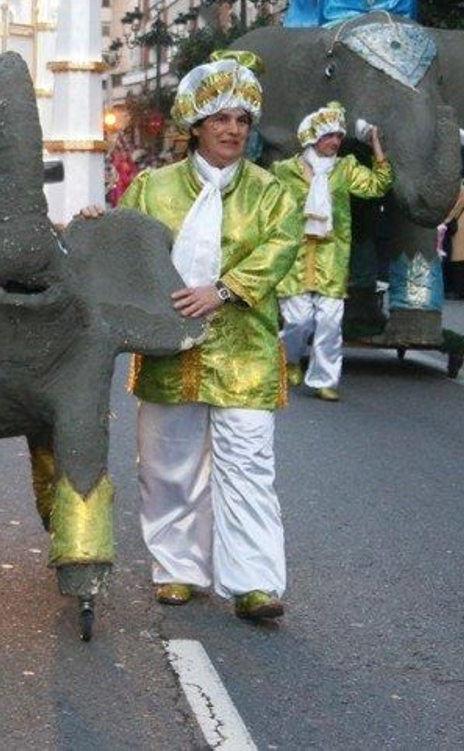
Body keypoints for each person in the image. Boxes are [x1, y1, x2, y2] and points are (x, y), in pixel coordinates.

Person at [110, 51, 302, 622]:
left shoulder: (271, 192)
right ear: (195, 125)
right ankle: (177, 570)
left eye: (242, 120)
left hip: (243, 352)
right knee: (167, 466)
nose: (232, 130)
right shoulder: (152, 188)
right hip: (170, 351)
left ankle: (255, 584)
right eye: (220, 118)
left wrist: (222, 290)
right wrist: (103, 224)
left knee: (248, 465)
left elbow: (280, 248)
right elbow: (127, 248)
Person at [272, 102, 392, 402]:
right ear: (314, 138)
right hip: (294, 256)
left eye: (339, 136)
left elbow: (378, 185)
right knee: (298, 320)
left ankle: (325, 379)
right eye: (329, 136)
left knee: (328, 321)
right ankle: (288, 360)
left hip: (332, 257)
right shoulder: (285, 171)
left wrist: (375, 142)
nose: (336, 142)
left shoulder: (346, 168)